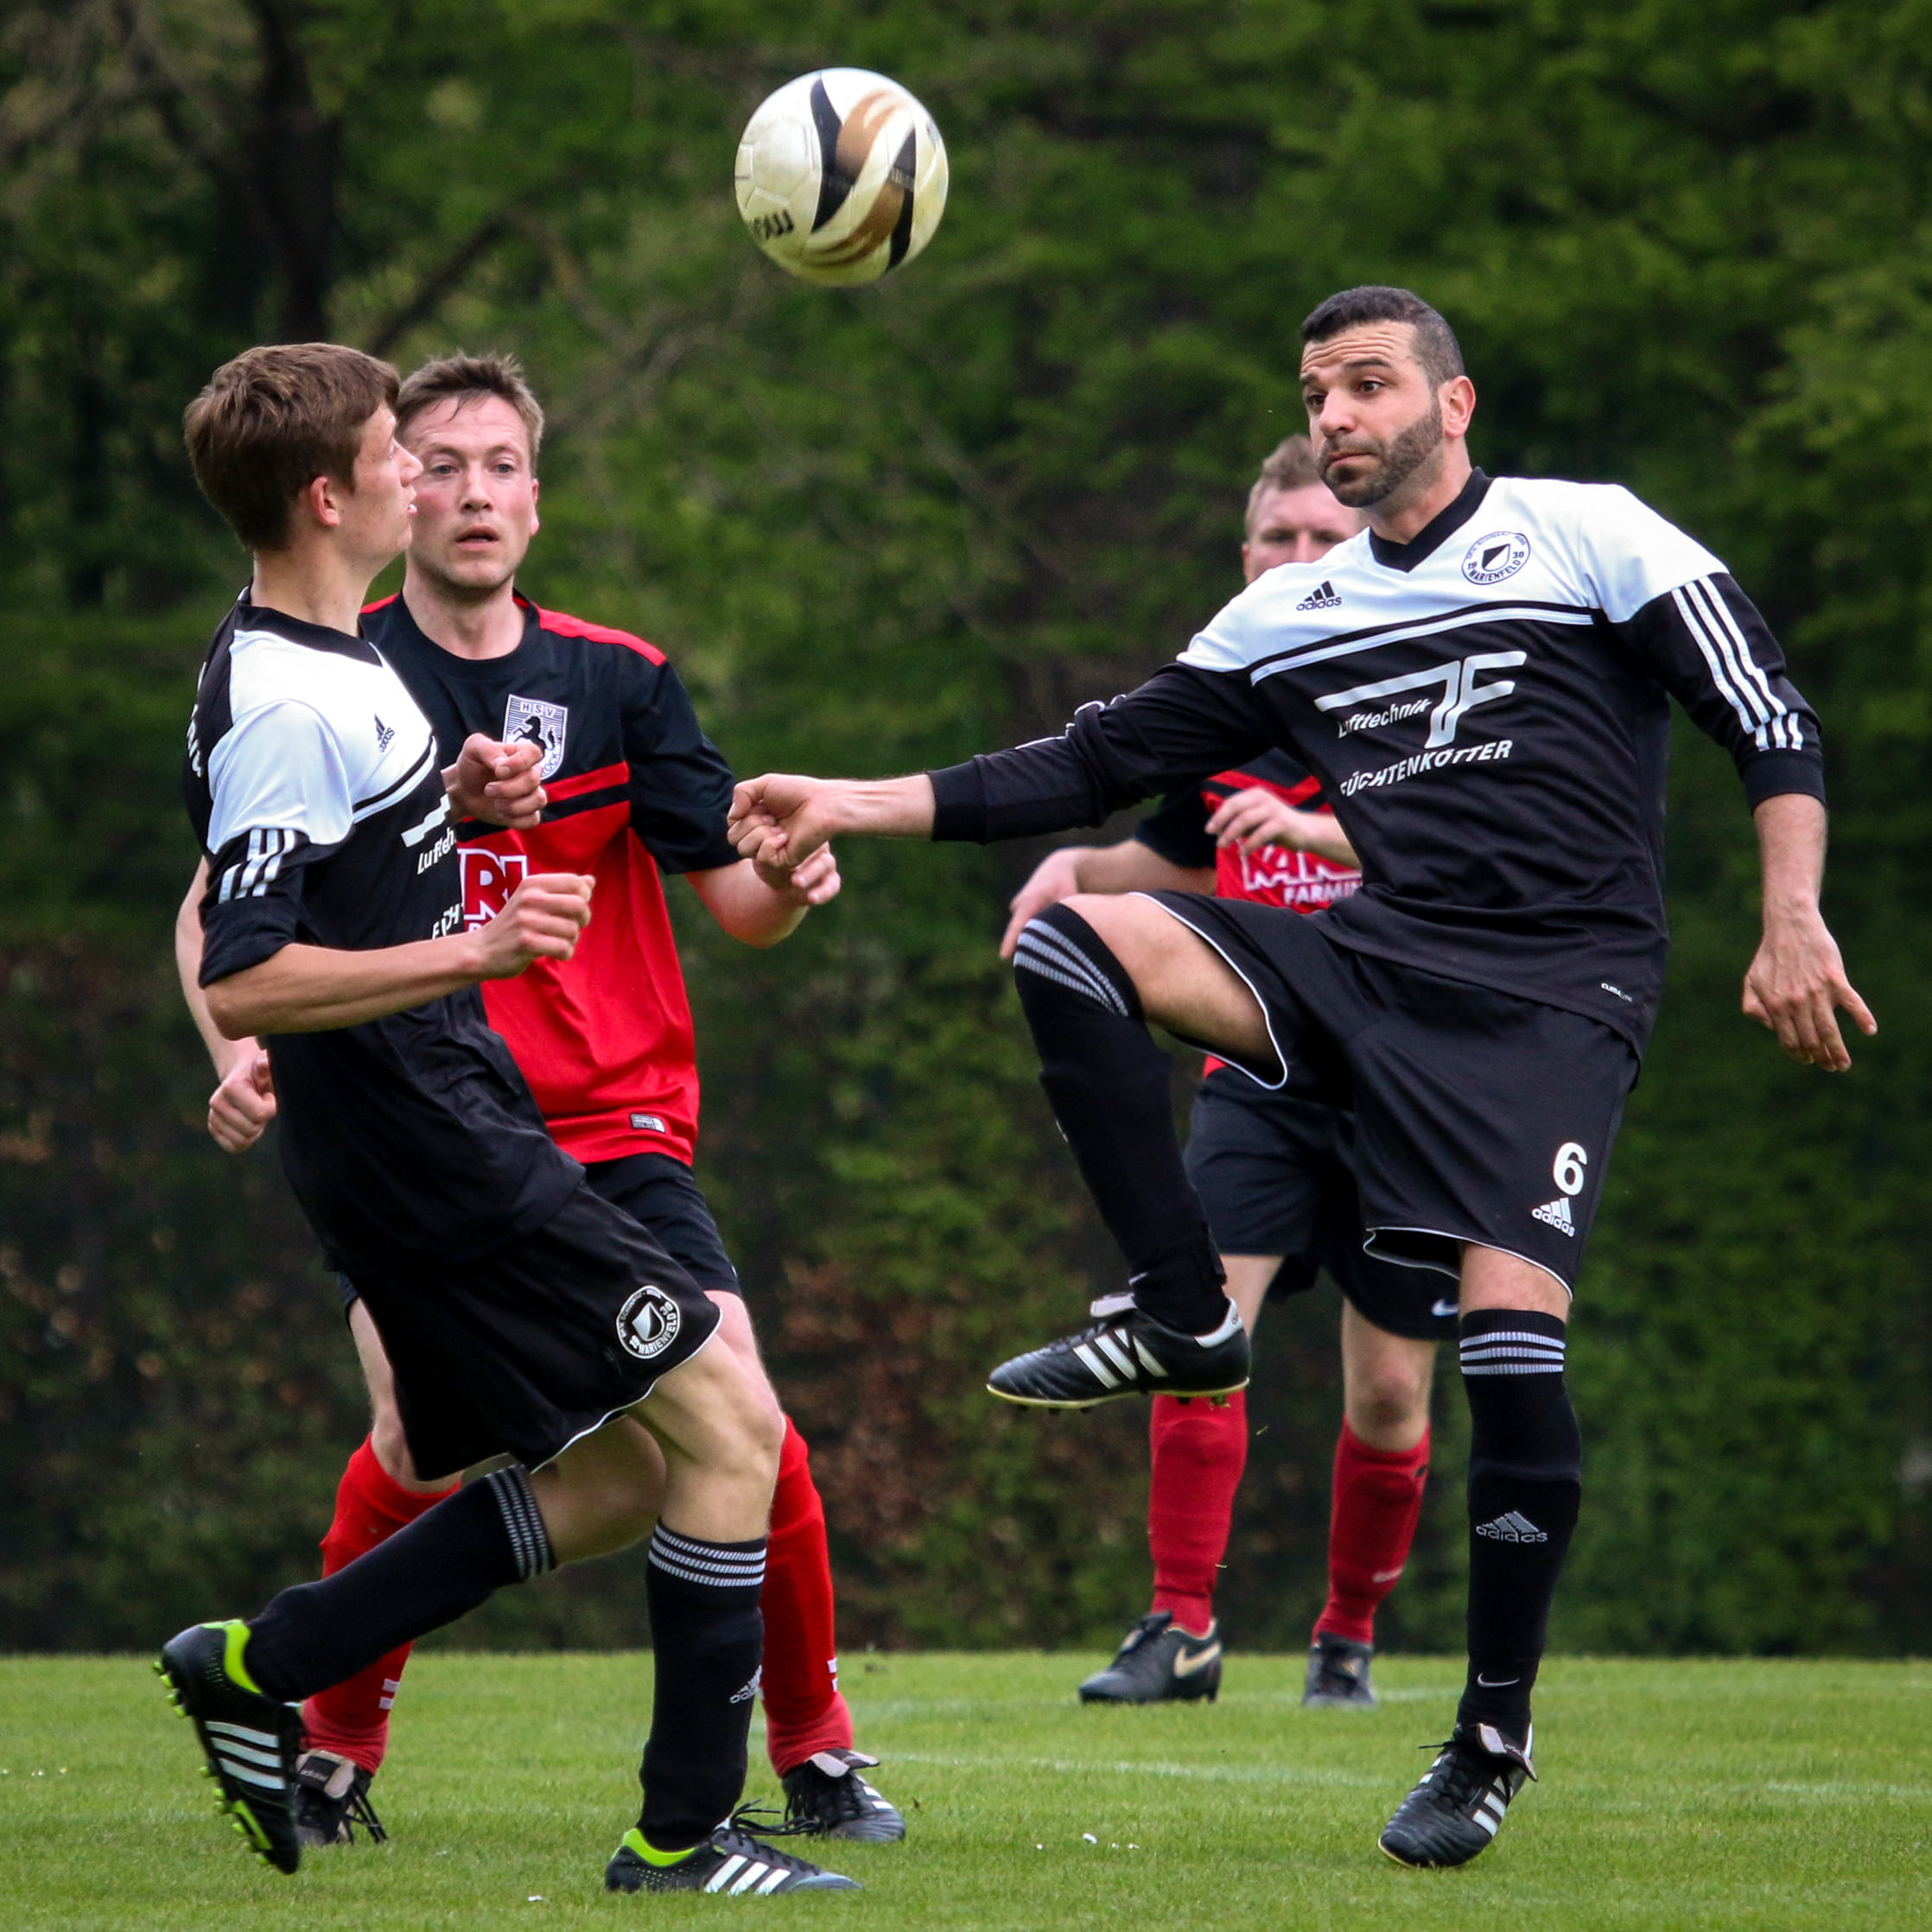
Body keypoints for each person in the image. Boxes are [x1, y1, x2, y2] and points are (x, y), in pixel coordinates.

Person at [724, 285, 1872, 1868]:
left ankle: (1488, 1739)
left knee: (1507, 1358)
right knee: (1078, 941)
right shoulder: (1292, 612)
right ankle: (1185, 1311)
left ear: (1453, 405)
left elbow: (1765, 713)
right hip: (1374, 969)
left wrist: (1792, 916)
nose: (1336, 415)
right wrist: (851, 800)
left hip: (1554, 1000)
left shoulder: (1587, 532)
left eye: (1369, 384)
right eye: (1318, 392)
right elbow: (1088, 764)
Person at [175, 352, 905, 1852]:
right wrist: (471, 948)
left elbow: (716, 900)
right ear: (338, 495)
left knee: (654, 1463)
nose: (443, 484)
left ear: (537, 492)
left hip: (555, 1123)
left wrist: (463, 814)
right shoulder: (311, 685)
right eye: (412, 455)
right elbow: (239, 950)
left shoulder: (478, 674)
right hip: (439, 1132)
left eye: (492, 462)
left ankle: (268, 1666)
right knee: (690, 1426)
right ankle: (668, 1835)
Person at [1001, 436, 1451, 1712]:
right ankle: (1181, 1627)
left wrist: (1311, 827)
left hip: (1409, 1080)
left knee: (1389, 1392)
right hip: (1258, 1070)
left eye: (1324, 538)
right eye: (1278, 538)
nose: (1300, 556)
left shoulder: (1428, 689)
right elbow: (1183, 859)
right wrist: (1074, 873)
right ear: (1245, 555)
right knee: (1203, 1325)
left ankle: (1346, 1638)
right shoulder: (1228, 702)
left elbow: (1469, 852)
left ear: (1371, 549)